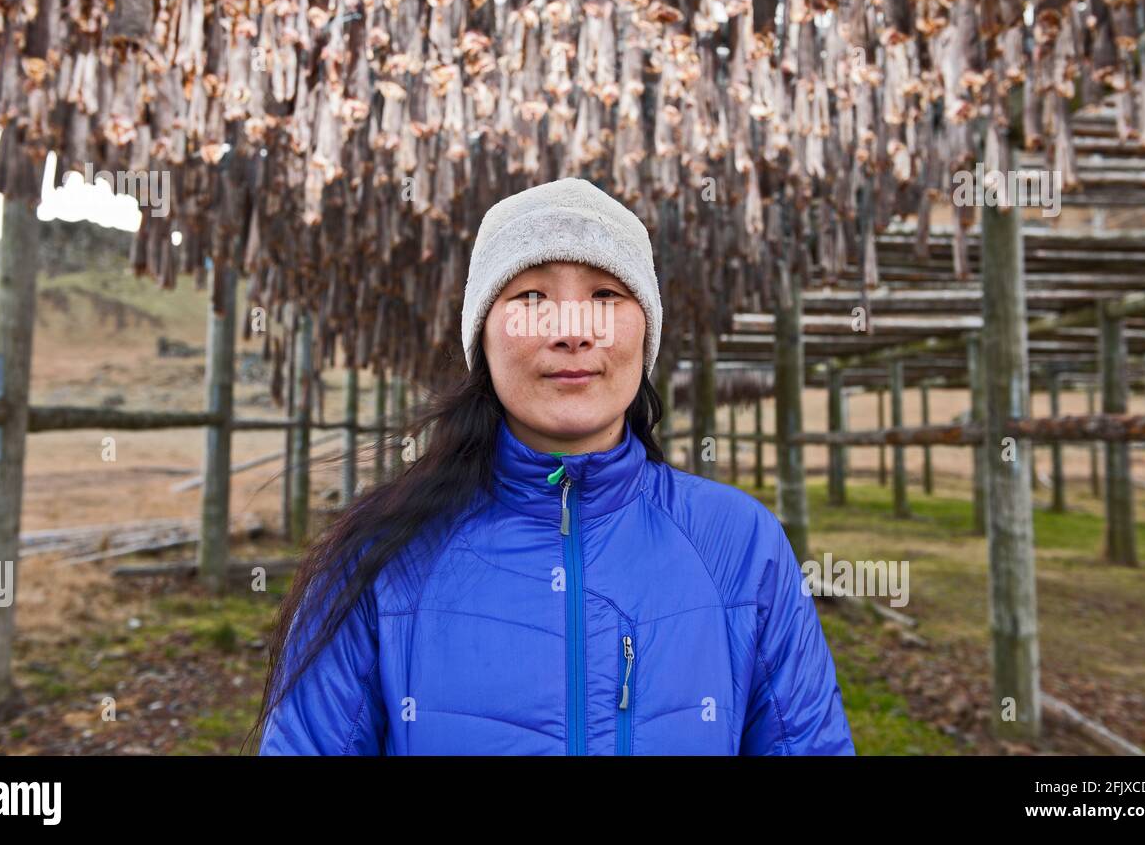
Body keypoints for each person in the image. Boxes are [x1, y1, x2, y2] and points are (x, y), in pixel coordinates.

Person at [252, 176, 855, 755]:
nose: (571, 331)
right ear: (482, 336)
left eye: (606, 296)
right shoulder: (378, 557)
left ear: (645, 332)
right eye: (532, 297)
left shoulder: (741, 545)